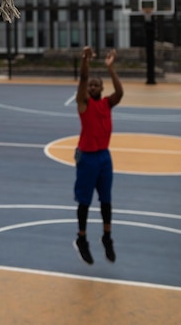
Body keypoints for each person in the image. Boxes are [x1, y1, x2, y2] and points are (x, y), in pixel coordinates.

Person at [73, 45, 124, 265]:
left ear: (102, 88)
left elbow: (120, 93)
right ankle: (82, 239)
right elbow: (83, 79)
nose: (92, 86)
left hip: (104, 157)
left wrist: (110, 68)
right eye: (91, 85)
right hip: (87, 158)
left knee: (106, 200)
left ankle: (107, 237)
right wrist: (86, 60)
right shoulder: (83, 105)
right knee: (85, 201)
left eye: (96, 84)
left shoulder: (106, 104)